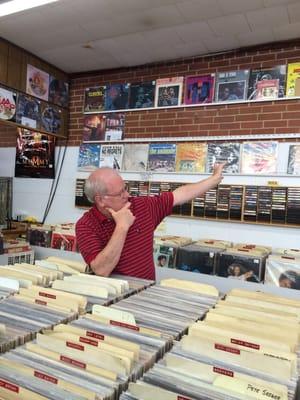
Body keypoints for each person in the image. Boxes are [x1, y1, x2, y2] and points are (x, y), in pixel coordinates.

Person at [75, 164, 224, 280]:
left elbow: (179, 195)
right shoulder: (86, 225)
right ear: (100, 200)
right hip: (111, 300)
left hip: (145, 293)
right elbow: (101, 270)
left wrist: (214, 179)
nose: (127, 195)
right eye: (120, 193)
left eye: (125, 188)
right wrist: (122, 227)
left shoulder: (142, 206)